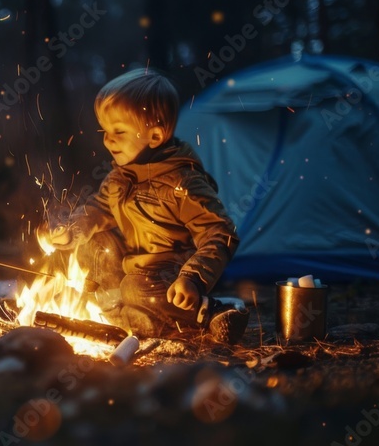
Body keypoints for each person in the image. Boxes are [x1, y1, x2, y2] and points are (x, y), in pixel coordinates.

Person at [38, 69, 249, 344]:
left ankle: (210, 311)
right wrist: (74, 230)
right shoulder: (120, 177)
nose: (108, 140)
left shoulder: (182, 182)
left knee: (137, 290)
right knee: (95, 244)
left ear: (156, 136)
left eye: (119, 131)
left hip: (168, 279)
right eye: (105, 130)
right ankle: (116, 312)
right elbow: (99, 209)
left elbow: (220, 232)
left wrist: (193, 278)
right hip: (132, 271)